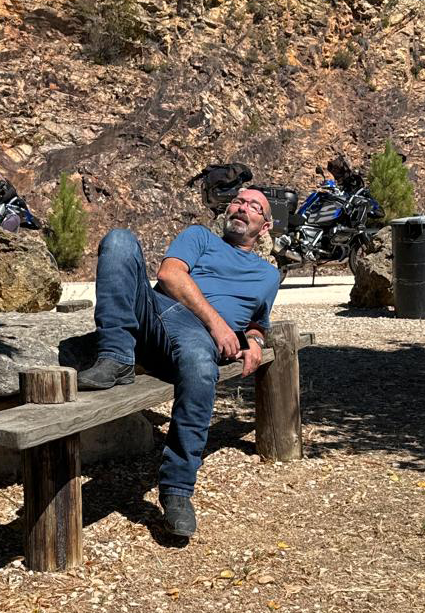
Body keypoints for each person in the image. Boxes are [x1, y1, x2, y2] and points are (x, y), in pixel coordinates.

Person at [77, 189, 282, 538]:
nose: (242, 208)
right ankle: (116, 356)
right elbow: (170, 276)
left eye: (254, 207)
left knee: (202, 365)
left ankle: (177, 490)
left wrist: (256, 342)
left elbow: (257, 322)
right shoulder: (199, 236)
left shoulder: (268, 275)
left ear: (264, 227)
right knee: (119, 240)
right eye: (238, 201)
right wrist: (218, 324)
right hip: (160, 314)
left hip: (196, 342)